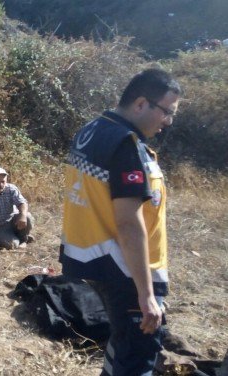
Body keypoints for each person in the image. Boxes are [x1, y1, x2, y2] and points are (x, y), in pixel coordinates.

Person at [60, 68, 181, 376]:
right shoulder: (125, 146)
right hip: (126, 271)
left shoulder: (94, 129)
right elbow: (128, 223)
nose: (168, 121)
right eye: (167, 112)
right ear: (141, 104)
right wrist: (147, 295)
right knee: (136, 357)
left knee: (122, 347)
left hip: (100, 263)